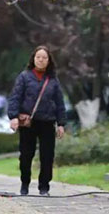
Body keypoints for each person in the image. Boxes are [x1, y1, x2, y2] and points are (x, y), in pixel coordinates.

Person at [7, 45, 66, 197]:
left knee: (47, 156)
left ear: (49, 60)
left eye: (44, 57)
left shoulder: (52, 79)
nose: (41, 60)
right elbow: (15, 98)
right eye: (38, 57)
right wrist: (13, 117)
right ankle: (25, 184)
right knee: (26, 155)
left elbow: (59, 102)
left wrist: (61, 124)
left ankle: (44, 187)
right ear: (33, 59)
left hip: (47, 122)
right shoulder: (24, 77)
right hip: (28, 123)